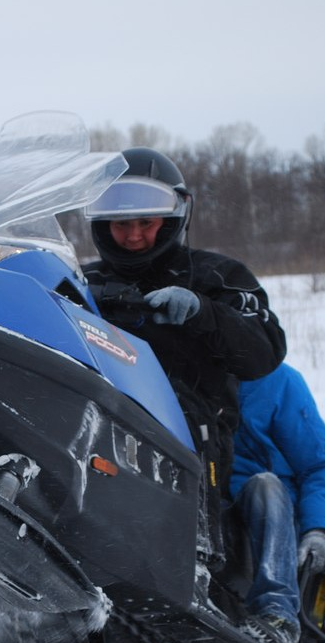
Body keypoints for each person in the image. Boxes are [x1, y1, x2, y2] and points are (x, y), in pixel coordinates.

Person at [82, 147, 287, 569]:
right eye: (121, 224)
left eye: (146, 222)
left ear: (175, 218)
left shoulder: (219, 277)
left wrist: (202, 312)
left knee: (188, 413)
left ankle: (199, 557)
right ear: (102, 224)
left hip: (194, 436)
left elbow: (264, 352)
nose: (134, 235)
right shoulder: (79, 280)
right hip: (97, 421)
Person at [230, 362, 325, 643]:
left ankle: (278, 618)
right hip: (212, 508)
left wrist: (319, 529)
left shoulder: (276, 381)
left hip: (268, 516)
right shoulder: (176, 369)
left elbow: (322, 464)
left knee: (265, 484)